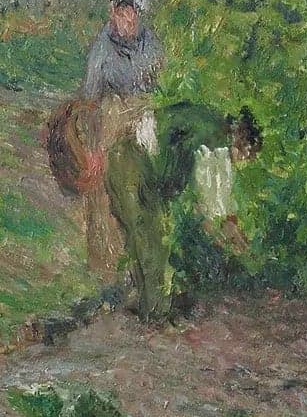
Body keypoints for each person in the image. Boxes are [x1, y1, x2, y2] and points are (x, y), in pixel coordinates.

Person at [104, 103, 262, 322]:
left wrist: (225, 227)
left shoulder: (210, 124)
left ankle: (148, 308)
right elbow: (212, 203)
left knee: (142, 240)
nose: (243, 161)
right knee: (151, 240)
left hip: (126, 160)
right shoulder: (216, 141)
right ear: (241, 141)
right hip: (134, 166)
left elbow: (212, 201)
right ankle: (155, 314)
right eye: (247, 155)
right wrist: (229, 236)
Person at [78, 0, 161, 282]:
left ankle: (146, 261)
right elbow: (90, 102)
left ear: (138, 14)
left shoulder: (150, 45)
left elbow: (157, 89)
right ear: (112, 12)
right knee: (103, 189)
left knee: (143, 185)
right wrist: (93, 149)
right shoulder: (101, 49)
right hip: (108, 119)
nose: (125, 18)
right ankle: (108, 270)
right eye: (120, 11)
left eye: (131, 12)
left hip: (141, 117)